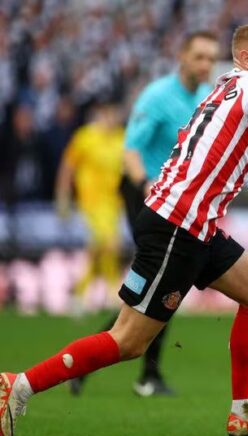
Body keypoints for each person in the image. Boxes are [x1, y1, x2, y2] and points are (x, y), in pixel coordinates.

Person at [0, 21, 248, 436]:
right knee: (128, 341)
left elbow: (238, 174)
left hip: (194, 225)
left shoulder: (228, 89)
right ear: (246, 59)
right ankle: (17, 386)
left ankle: (244, 410)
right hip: (177, 226)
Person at [69, 30, 220, 398]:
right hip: (145, 194)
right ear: (182, 55)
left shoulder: (203, 96)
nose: (206, 64)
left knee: (159, 286)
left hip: (175, 199)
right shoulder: (157, 96)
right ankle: (144, 374)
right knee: (164, 283)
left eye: (210, 58)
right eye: (199, 56)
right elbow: (132, 149)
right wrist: (146, 185)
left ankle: (88, 360)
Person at [55, 101, 125, 312]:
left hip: (113, 202)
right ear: (99, 115)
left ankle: (78, 294)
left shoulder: (121, 138)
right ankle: (113, 293)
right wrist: (62, 195)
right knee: (110, 243)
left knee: (98, 248)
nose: (111, 119)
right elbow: (68, 166)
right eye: (107, 115)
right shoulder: (85, 137)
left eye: (114, 115)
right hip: (91, 202)